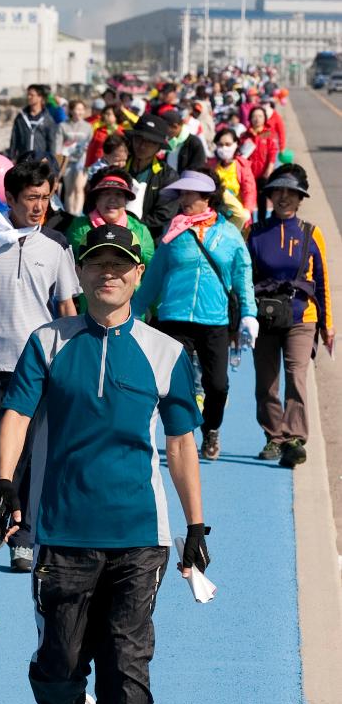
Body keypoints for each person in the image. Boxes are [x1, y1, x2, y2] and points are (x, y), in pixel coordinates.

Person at [0, 222, 209, 704]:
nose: (108, 273)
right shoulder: (48, 342)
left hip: (141, 536)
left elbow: (180, 443)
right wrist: (7, 483)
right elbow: (15, 414)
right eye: (96, 264)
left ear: (138, 275)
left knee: (128, 661)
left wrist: (195, 524)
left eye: (120, 264)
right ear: (80, 274)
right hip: (61, 532)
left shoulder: (166, 353)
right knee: (57, 665)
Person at [0, 159, 79, 572]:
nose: (39, 206)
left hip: (40, 368)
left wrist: (76, 357)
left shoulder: (57, 245)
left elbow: (66, 307)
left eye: (45, 197)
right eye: (31, 199)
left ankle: (21, 537)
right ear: (11, 199)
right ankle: (0, 508)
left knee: (28, 458)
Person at [132, 170, 258, 460]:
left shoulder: (229, 235)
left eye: (189, 194)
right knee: (173, 380)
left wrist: (250, 314)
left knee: (217, 385)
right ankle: (180, 433)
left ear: (206, 198)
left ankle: (211, 429)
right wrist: (136, 310)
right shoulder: (173, 233)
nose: (183, 200)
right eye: (181, 195)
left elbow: (242, 276)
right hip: (174, 318)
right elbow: (153, 277)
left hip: (214, 320)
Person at [248, 165, 334, 467]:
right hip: (265, 316)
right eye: (278, 192)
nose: (284, 198)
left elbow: (322, 281)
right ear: (270, 196)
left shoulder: (311, 233)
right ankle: (274, 437)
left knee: (296, 376)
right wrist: (241, 320)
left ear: (300, 199)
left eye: (291, 193)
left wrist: (328, 326)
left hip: (302, 316)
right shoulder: (255, 233)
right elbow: (244, 277)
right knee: (266, 382)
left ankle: (295, 438)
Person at [65, 170, 155, 310]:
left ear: (126, 201)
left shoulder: (141, 230)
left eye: (119, 194)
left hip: (133, 311)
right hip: (90, 309)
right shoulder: (78, 227)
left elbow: (151, 273)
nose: (112, 199)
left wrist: (152, 310)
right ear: (96, 199)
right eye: (106, 193)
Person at [125, 115, 179, 243]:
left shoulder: (168, 176)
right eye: (139, 138)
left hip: (148, 241)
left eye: (151, 142)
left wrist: (132, 226)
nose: (142, 145)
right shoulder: (117, 166)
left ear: (159, 147)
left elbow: (164, 214)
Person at [210, 126, 258, 231]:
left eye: (228, 144)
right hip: (215, 216)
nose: (224, 148)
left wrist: (247, 211)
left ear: (236, 145)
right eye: (220, 145)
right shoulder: (212, 166)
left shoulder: (242, 165)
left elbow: (249, 190)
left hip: (238, 216)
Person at [55, 100, 92, 216]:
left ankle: (77, 214)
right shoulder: (63, 126)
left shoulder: (88, 127)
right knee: (69, 190)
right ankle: (69, 214)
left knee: (79, 187)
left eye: (82, 109)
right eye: (77, 109)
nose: (79, 112)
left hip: (83, 162)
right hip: (68, 162)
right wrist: (58, 163)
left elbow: (91, 145)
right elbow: (57, 147)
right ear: (71, 110)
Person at [9, 85, 58, 166]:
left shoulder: (48, 119)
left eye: (32, 95)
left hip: (40, 162)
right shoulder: (21, 117)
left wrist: (50, 160)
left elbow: (51, 142)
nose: (29, 97)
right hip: (23, 161)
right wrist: (11, 157)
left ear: (40, 97)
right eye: (28, 94)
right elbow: (14, 139)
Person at [240, 105, 279, 184]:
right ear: (250, 119)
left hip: (264, 174)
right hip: (248, 175)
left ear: (264, 118)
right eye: (254, 116)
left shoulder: (269, 134)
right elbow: (241, 156)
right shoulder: (245, 135)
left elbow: (272, 154)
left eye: (260, 116)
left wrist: (269, 171)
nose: (257, 119)